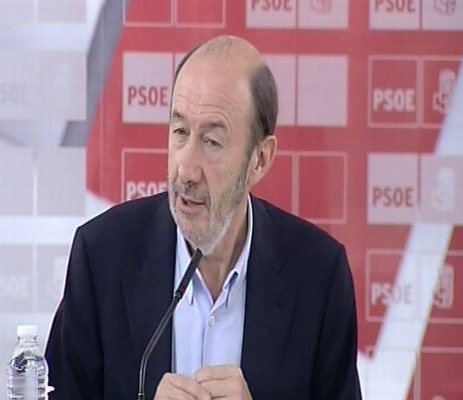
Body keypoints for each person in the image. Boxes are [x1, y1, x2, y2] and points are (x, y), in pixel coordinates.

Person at [45, 35, 362, 400]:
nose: (186, 170)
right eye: (180, 132)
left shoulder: (319, 277)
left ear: (259, 159)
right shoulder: (102, 256)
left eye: (212, 142)